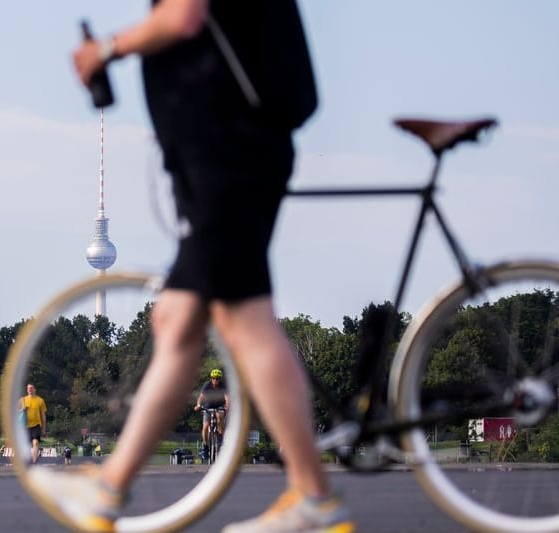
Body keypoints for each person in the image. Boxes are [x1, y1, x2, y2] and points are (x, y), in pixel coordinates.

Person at [31, 1, 354, 532]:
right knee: (177, 320)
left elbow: (183, 17)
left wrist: (105, 49)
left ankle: (315, 500)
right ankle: (107, 490)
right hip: (226, 150)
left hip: (228, 151)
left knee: (244, 320)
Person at [194, 368, 229, 458]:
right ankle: (205, 446)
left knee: (220, 416)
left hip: (220, 406)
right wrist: (198, 405)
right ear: (211, 378)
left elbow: (227, 398)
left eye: (217, 378)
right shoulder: (207, 385)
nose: (215, 380)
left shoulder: (223, 386)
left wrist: (227, 407)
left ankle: (220, 441)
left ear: (220, 379)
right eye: (213, 378)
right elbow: (201, 397)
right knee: (205, 426)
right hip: (208, 406)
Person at [19, 383, 47, 465]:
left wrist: (44, 429)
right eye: (28, 388)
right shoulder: (22, 400)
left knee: (36, 442)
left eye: (31, 388)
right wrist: (22, 409)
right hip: (25, 426)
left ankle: (34, 462)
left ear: (35, 389)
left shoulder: (40, 400)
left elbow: (43, 416)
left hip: (36, 425)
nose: (30, 390)